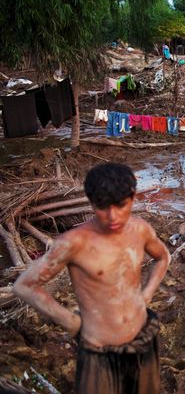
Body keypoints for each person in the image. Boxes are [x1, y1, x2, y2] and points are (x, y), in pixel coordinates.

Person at [13, 162, 171, 393]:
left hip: (142, 337)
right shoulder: (74, 243)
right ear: (91, 203)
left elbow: (163, 257)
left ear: (133, 198)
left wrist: (146, 294)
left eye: (121, 205)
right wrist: (70, 321)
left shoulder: (140, 230)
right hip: (99, 350)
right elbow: (24, 285)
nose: (112, 216)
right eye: (102, 207)